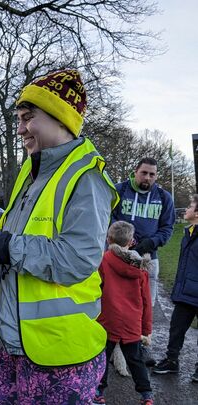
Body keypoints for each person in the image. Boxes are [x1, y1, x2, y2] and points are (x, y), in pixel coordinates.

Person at [0, 69, 119, 404]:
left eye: (29, 118)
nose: (20, 128)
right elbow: (21, 238)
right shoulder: (33, 170)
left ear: (60, 118)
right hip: (18, 344)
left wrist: (3, 246)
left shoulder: (87, 177)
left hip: (61, 354)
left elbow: (77, 260)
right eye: (18, 118)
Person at [94, 221, 153, 405]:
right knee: (135, 359)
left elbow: (95, 290)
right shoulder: (141, 268)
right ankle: (146, 395)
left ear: (108, 239)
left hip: (108, 319)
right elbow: (146, 301)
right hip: (131, 322)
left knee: (102, 358)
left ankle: (98, 392)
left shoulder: (103, 261)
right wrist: (146, 328)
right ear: (131, 242)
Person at [111, 157, 175, 306]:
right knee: (116, 303)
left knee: (146, 305)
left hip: (149, 258)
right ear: (135, 172)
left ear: (156, 176)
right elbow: (107, 217)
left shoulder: (164, 197)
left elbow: (167, 228)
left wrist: (151, 242)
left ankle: (144, 330)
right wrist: (123, 238)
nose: (147, 177)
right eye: (144, 173)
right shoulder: (119, 190)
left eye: (152, 174)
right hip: (119, 254)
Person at [152, 194, 198, 383]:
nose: (186, 209)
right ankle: (172, 361)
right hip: (185, 292)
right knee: (176, 328)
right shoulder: (188, 232)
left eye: (190, 206)